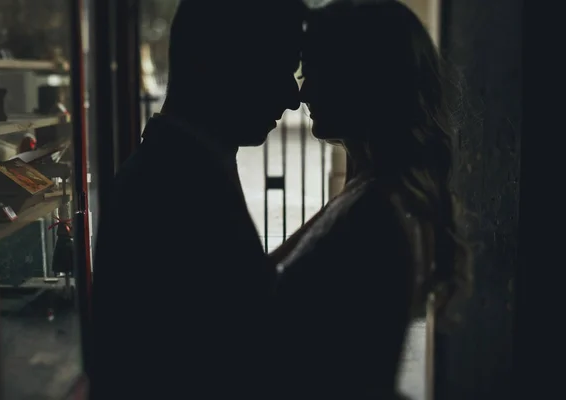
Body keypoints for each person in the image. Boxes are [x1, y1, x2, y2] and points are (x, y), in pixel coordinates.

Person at [91, 0, 305, 398]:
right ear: (227, 63)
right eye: (282, 69)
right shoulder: (175, 190)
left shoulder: (180, 168)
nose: (293, 98)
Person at [275, 1, 473, 398]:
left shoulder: (375, 212)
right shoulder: (367, 193)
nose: (302, 91)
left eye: (316, 73)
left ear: (364, 79)